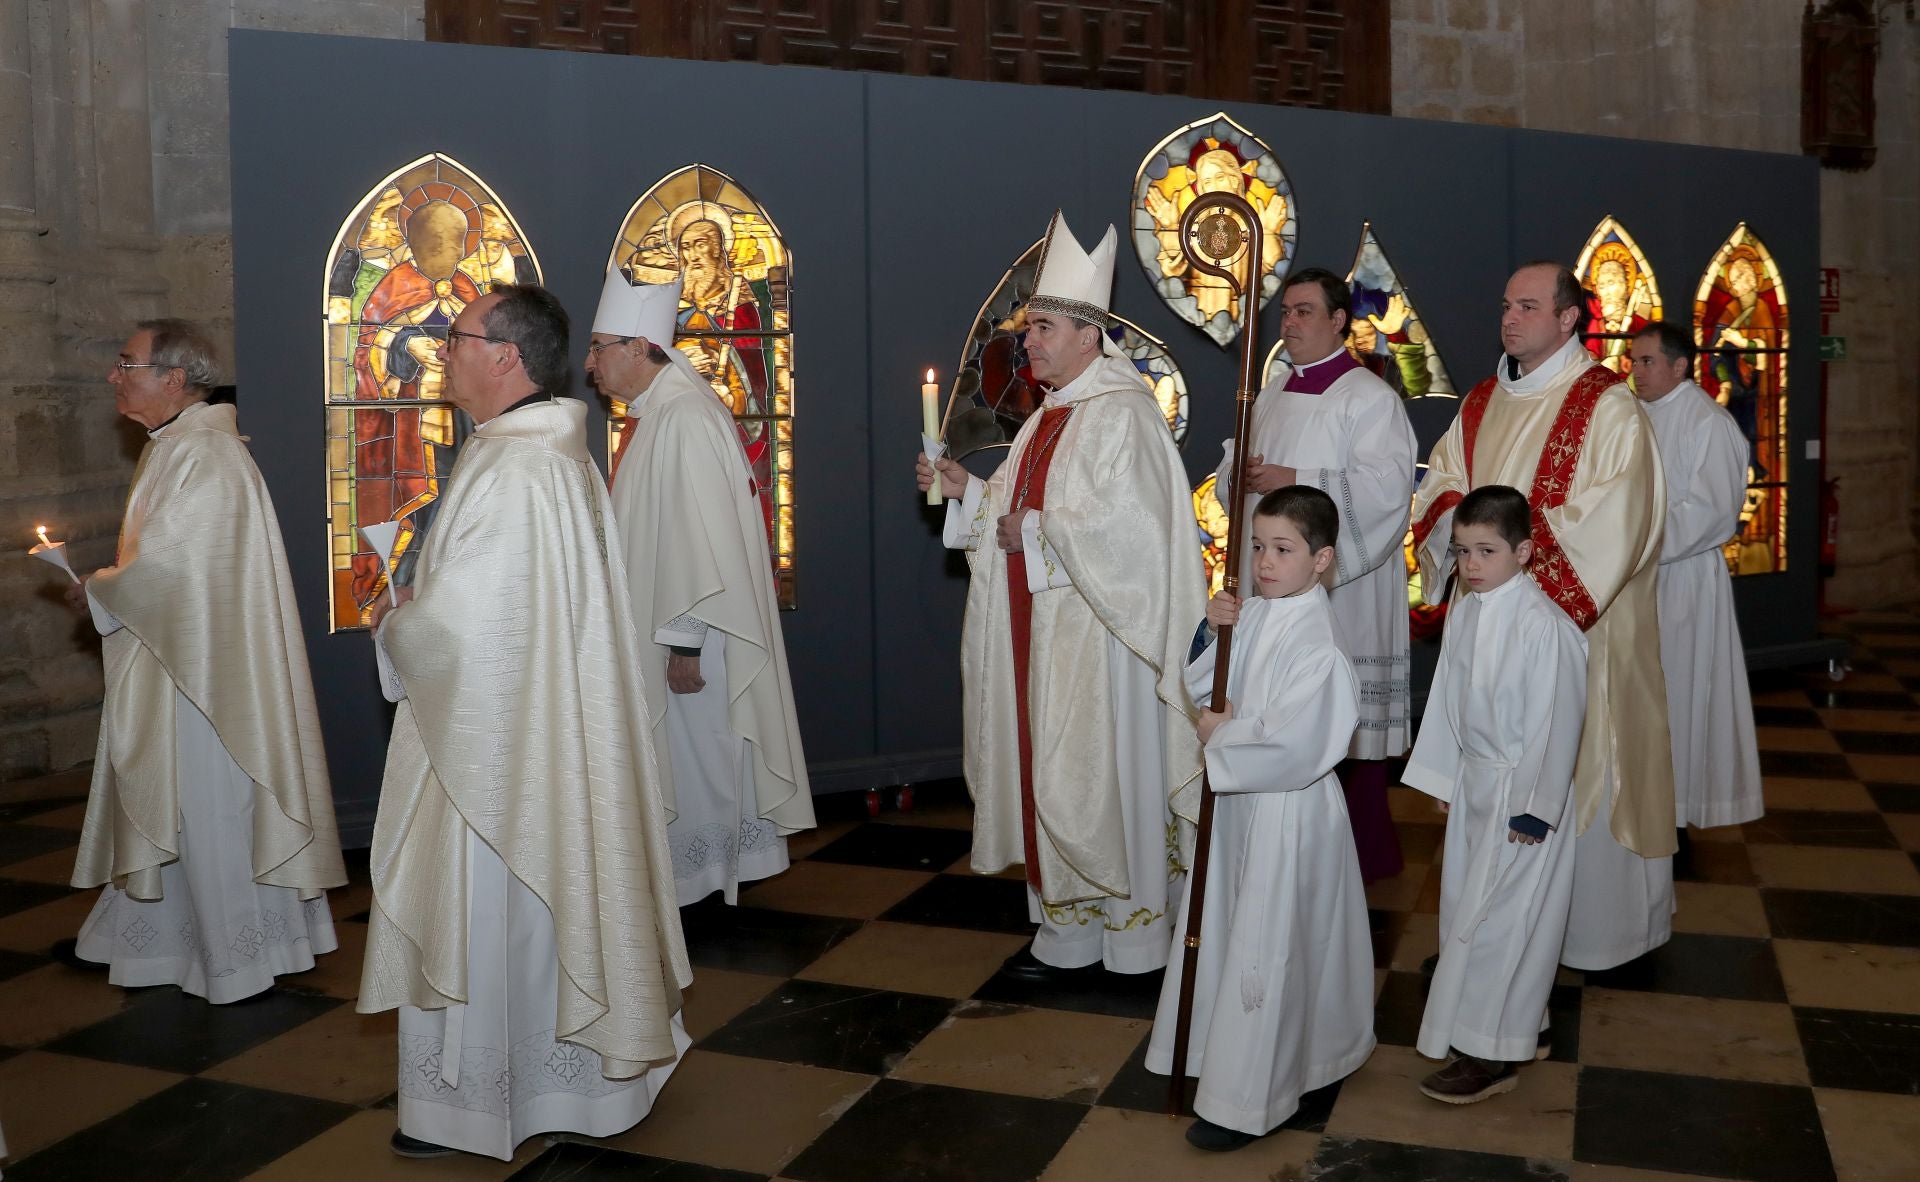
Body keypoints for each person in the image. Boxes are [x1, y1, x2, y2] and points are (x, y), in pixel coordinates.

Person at [359, 284, 690, 1161]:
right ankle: (559, 1086)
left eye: (458, 337)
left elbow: (469, 632)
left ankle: (484, 1100)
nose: (445, 352)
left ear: (505, 356)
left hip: (502, 749)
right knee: (537, 905)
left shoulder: (520, 466)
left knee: (499, 904)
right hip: (529, 732)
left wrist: (397, 622)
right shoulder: (533, 452)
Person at [917, 210, 1207, 977]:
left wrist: (1035, 529)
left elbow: (1137, 539)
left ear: (1088, 334)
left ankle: (1133, 938)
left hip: (1103, 644)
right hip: (1041, 631)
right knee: (1048, 771)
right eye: (1028, 328)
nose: (1029, 341)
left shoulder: (1124, 416)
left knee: (1099, 779)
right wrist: (967, 494)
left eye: (1042, 326)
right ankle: (1067, 934)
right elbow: (1015, 519)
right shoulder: (1050, 416)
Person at [63, 319, 344, 1001]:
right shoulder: (177, 445)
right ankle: (153, 939)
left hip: (208, 680)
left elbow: (175, 569)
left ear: (175, 377)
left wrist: (99, 588)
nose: (114, 376)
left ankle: (235, 956)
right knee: (176, 803)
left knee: (207, 806)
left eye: (127, 362)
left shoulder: (208, 455)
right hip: (179, 661)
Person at [1409, 262, 1673, 973]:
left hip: (1579, 633)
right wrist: (1463, 532)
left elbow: (1623, 514)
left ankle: (1595, 936)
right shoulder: (1482, 399)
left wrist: (1520, 575)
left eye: (1528, 306)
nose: (1510, 318)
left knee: (1574, 764)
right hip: (1488, 634)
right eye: (1505, 305)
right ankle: (1486, 935)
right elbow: (1442, 485)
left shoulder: (1606, 404)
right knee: (1490, 776)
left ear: (1568, 319)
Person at [1145, 486, 1375, 1152]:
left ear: (1322, 559)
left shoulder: (1320, 644)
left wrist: (1227, 733)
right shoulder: (1262, 610)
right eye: (1257, 547)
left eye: (1283, 549)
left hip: (1287, 812)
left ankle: (1252, 1099)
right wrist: (1211, 630)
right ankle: (1257, 1057)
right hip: (1244, 803)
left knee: (1271, 945)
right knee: (1241, 929)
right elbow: (1205, 684)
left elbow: (1300, 745)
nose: (1265, 562)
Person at [587, 269, 815, 905]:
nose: (590, 363)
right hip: (678, 624)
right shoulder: (665, 412)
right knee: (694, 758)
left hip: (691, 631)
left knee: (696, 759)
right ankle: (699, 875)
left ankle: (699, 882)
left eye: (601, 346)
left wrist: (682, 644)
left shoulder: (682, 416)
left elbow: (695, 538)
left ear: (639, 348)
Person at [1213, 267, 1418, 882]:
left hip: (1345, 592)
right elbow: (1237, 476)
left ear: (1338, 322)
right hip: (1274, 584)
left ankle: (1358, 858)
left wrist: (1295, 478)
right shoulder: (1271, 390)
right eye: (1285, 313)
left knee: (1336, 726)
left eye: (1305, 312)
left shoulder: (1370, 399)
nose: (1291, 323)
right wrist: (1241, 475)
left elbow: (1386, 495)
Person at [1406, 485, 1587, 1104]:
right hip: (1478, 786)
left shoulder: (1547, 627)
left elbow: (1557, 724)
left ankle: (1489, 1053)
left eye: (1486, 551)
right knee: (1467, 911)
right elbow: (1449, 705)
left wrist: (1535, 809)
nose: (1471, 565)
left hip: (1522, 800)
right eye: (1461, 552)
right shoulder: (1469, 608)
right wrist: (1447, 778)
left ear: (1526, 551)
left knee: (1504, 923)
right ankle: (1523, 1025)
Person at [1629, 323, 1764, 832]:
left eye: (1646, 361)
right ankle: (1643, 803)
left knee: (1680, 691)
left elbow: (1713, 512)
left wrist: (1636, 541)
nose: (1635, 371)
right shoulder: (1633, 415)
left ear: (1680, 365)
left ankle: (1677, 810)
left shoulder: (1709, 422)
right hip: (1638, 579)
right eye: (1634, 362)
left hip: (1683, 578)